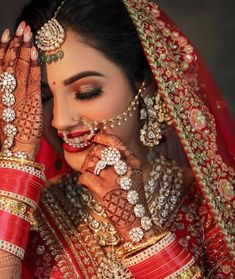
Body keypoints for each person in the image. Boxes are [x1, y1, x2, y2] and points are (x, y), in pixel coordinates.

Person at [0, 0, 234, 278]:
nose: (60, 120)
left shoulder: (212, 205)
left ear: (145, 83)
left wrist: (140, 234)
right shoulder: (31, 216)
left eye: (86, 91)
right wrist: (17, 160)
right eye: (44, 98)